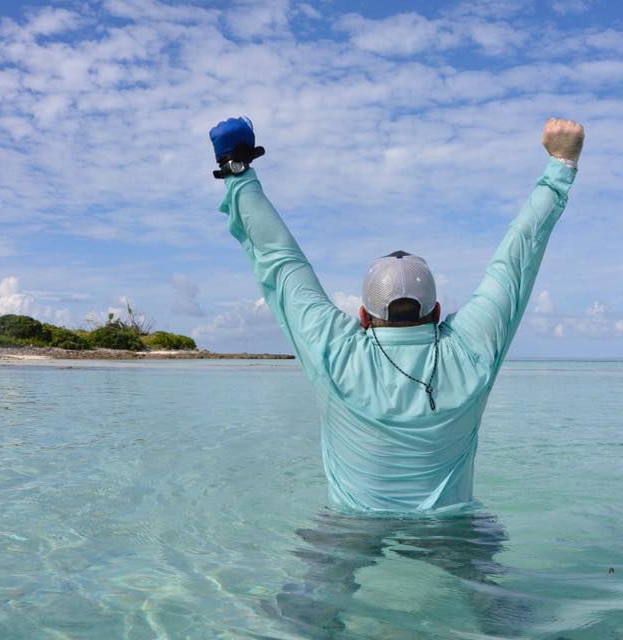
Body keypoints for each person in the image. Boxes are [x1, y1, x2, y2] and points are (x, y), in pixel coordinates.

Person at [210, 117, 584, 514]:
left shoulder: (334, 353)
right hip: (451, 530)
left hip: (352, 528)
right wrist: (561, 164)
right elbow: (517, 259)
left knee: (320, 572)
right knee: (481, 571)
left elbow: (278, 257)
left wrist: (239, 170)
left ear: (364, 316)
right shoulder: (471, 350)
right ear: (437, 312)